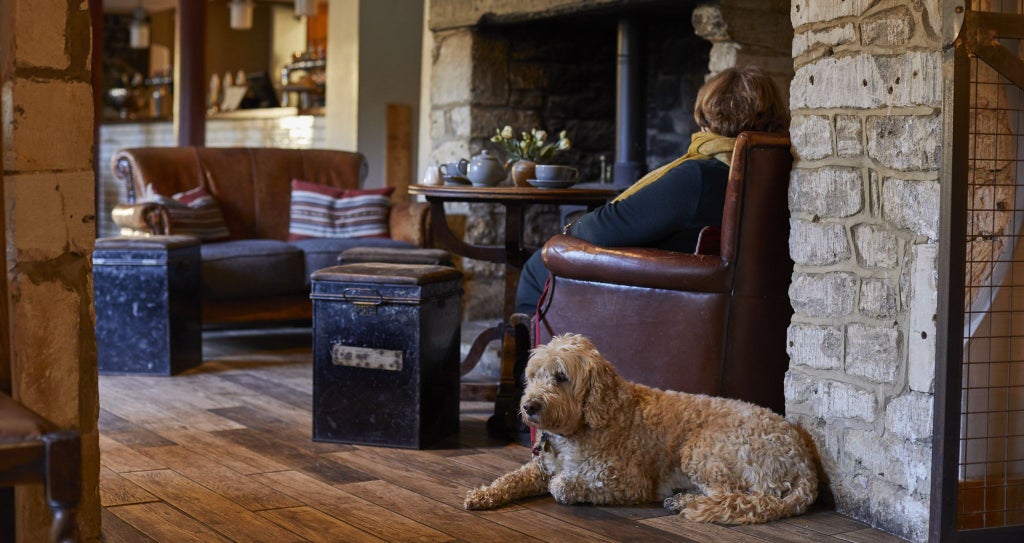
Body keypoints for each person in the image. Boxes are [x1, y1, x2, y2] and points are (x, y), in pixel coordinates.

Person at [514, 65, 790, 316]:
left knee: (539, 264)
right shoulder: (768, 169)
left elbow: (602, 229)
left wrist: (571, 229)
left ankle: (529, 365)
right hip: (710, 300)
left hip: (656, 298)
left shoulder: (700, 175)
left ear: (708, 118)